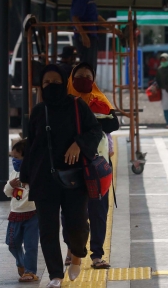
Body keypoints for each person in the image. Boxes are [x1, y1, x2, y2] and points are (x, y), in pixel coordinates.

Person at [20, 65, 103, 288]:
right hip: (43, 179)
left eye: (57, 82)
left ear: (65, 83)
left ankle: (76, 255)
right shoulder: (38, 111)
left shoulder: (77, 106)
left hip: (74, 178)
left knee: (76, 225)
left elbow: (95, 131)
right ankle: (55, 275)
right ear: (41, 86)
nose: (51, 87)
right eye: (47, 83)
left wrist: (79, 144)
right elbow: (31, 145)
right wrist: (24, 175)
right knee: (47, 230)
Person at [63, 62, 120, 270]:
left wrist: (85, 126)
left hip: (97, 165)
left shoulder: (99, 98)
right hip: (72, 165)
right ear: (71, 77)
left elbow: (114, 123)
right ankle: (71, 249)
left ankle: (97, 255)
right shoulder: (64, 101)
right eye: (79, 75)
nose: (84, 79)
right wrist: (93, 124)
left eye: (88, 76)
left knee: (98, 210)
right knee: (71, 211)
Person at [70, 0, 121, 73]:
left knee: (91, 67)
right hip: (86, 37)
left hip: (92, 36)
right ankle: (85, 87)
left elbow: (96, 17)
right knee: (86, 67)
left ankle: (89, 87)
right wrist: (83, 35)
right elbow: (75, 18)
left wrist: (113, 29)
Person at [4, 139, 39, 283]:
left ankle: (30, 271)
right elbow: (7, 193)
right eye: (12, 157)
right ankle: (21, 262)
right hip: (15, 213)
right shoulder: (13, 173)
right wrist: (10, 186)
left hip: (32, 213)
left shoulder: (34, 172)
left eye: (17, 158)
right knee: (12, 243)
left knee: (31, 245)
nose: (14, 161)